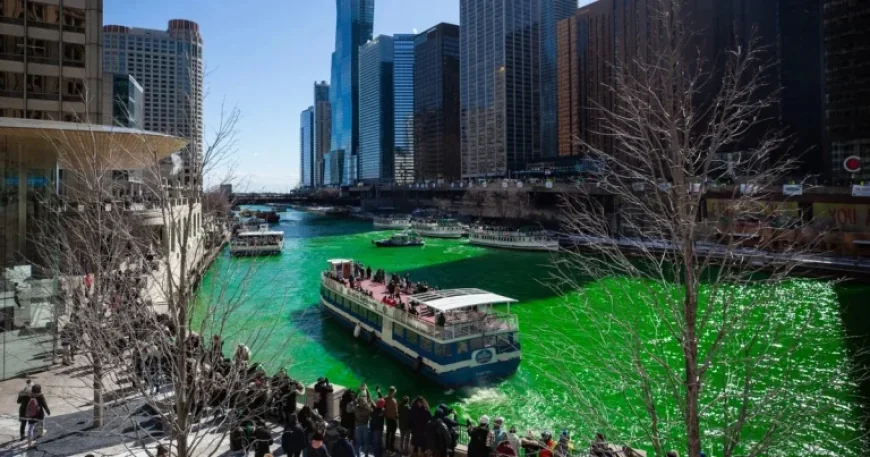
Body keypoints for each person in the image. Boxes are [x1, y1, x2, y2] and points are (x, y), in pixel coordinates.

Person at [24, 383, 50, 448]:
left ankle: (30, 443)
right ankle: (41, 432)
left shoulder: (29, 395)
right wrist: (48, 411)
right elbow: (44, 405)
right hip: (39, 413)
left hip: (31, 415)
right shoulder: (40, 396)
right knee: (41, 422)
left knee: (30, 427)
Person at [353, 390, 373, 457]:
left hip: (358, 426)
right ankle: (366, 455)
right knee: (366, 442)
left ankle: (358, 455)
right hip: (365, 426)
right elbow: (370, 400)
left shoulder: (356, 409)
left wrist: (358, 390)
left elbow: (354, 398)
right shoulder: (367, 409)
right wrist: (367, 390)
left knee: (358, 442)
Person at [383, 387, 398, 454]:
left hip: (387, 418)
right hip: (393, 419)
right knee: (392, 435)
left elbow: (384, 407)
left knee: (388, 434)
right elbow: (396, 412)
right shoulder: (394, 401)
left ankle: (387, 448)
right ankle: (391, 449)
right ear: (393, 392)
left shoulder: (385, 398)